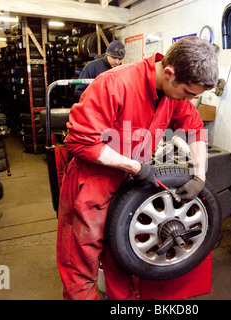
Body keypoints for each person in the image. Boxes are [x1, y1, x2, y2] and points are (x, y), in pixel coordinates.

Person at [57, 36, 219, 300]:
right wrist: (134, 166)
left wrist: (199, 176)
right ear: (169, 73)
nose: (189, 99)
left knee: (122, 255)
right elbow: (81, 140)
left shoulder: (172, 94)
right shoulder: (114, 83)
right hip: (92, 182)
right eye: (189, 93)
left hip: (129, 182)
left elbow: (195, 127)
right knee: (81, 261)